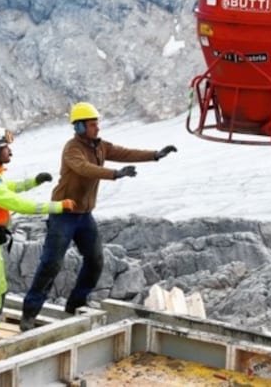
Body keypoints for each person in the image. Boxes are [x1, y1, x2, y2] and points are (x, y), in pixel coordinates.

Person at [20, 102, 177, 331]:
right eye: (92, 125)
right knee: (51, 264)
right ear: (80, 127)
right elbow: (85, 168)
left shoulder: (100, 146)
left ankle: (76, 304)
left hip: (84, 216)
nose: (97, 128)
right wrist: (114, 174)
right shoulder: (72, 149)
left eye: (97, 124)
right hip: (63, 213)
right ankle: (29, 313)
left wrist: (155, 155)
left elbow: (124, 152)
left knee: (95, 261)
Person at [0, 124, 76, 347]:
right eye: (6, 148)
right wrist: (57, 206)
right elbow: (18, 204)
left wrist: (33, 181)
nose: (10, 152)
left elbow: (8, 188)